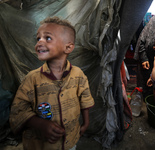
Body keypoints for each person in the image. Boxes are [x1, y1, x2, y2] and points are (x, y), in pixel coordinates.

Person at [9, 16, 95, 150]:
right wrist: (38, 124)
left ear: (68, 47)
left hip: (69, 140)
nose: (39, 42)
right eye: (38, 38)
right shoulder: (32, 79)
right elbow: (17, 110)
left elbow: (85, 100)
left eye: (47, 38)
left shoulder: (78, 75)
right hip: (41, 145)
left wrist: (85, 124)